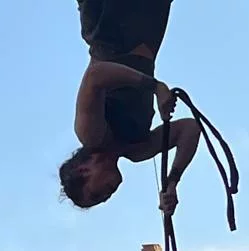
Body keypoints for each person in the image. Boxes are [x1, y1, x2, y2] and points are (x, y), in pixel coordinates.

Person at [61, 0, 202, 213]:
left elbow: (95, 77)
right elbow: (190, 129)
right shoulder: (137, 149)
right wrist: (172, 182)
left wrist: (155, 87)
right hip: (146, 30)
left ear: (83, 170)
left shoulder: (91, 134)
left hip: (110, 27)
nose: (106, 198)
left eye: (96, 195)